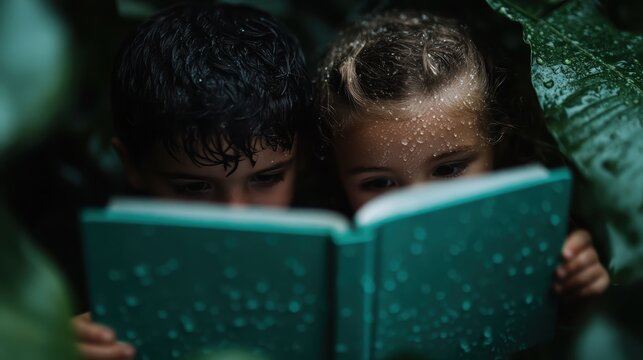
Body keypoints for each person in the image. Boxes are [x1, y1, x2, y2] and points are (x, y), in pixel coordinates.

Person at [316, 10, 609, 306]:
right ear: (335, 172)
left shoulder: (531, 240)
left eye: (448, 169)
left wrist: (574, 283)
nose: (420, 208)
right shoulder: (324, 266)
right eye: (379, 182)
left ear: (498, 142)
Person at [74, 3, 312, 359]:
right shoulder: (78, 276)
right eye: (194, 187)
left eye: (267, 178)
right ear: (132, 165)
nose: (236, 218)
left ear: (302, 156)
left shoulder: (333, 263)